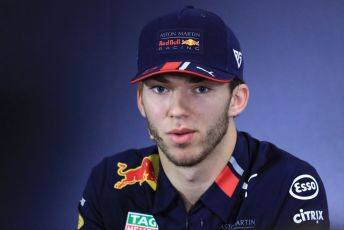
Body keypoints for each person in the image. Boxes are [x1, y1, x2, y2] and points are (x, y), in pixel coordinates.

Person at [77, 6, 329, 230]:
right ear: (141, 100)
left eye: (200, 89)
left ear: (236, 99)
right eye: (160, 89)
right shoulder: (111, 183)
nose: (177, 110)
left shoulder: (287, 185)